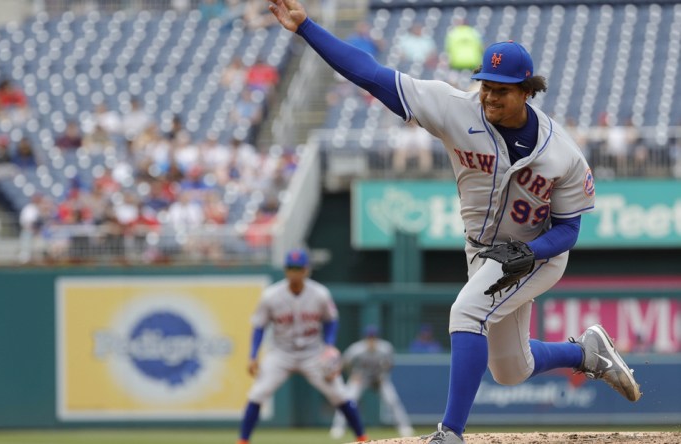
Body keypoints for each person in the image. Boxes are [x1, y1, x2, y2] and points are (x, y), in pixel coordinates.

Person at [267, 1, 642, 442]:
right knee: (510, 369)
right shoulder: (455, 108)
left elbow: (569, 230)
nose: (489, 95)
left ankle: (451, 432)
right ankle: (586, 354)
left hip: (537, 255)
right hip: (482, 249)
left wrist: (529, 252)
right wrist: (307, 27)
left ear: (526, 90)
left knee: (466, 311)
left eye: (501, 89)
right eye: (485, 84)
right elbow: (370, 73)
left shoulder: (563, 155)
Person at [237, 248, 368, 444]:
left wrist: (330, 346)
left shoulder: (320, 293)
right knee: (257, 393)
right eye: (291, 268)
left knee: (340, 394)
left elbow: (331, 321)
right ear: (285, 269)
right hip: (281, 353)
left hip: (313, 353)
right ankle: (243, 441)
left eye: (299, 268)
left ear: (307, 270)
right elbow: (259, 326)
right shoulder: (270, 295)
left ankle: (363, 438)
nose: (295, 272)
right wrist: (253, 355)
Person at [329, 325, 414, 439]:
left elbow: (390, 364)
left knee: (392, 400)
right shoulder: (356, 349)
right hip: (361, 378)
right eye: (369, 337)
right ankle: (338, 428)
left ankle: (404, 427)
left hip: (378, 378)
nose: (371, 340)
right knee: (346, 400)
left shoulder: (385, 348)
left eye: (373, 337)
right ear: (365, 338)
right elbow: (345, 362)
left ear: (377, 338)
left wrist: (383, 375)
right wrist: (353, 374)